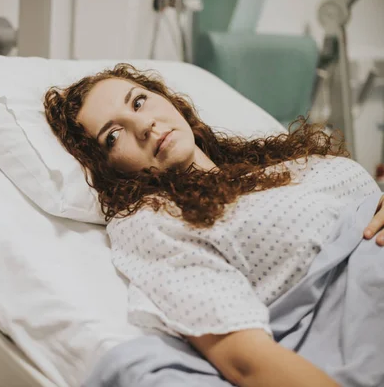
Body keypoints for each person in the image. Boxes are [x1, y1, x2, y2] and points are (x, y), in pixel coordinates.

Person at [43, 63, 384, 387]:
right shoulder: (153, 221)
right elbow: (246, 361)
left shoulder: (273, 163)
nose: (143, 125)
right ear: (107, 170)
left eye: (139, 101)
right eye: (113, 136)